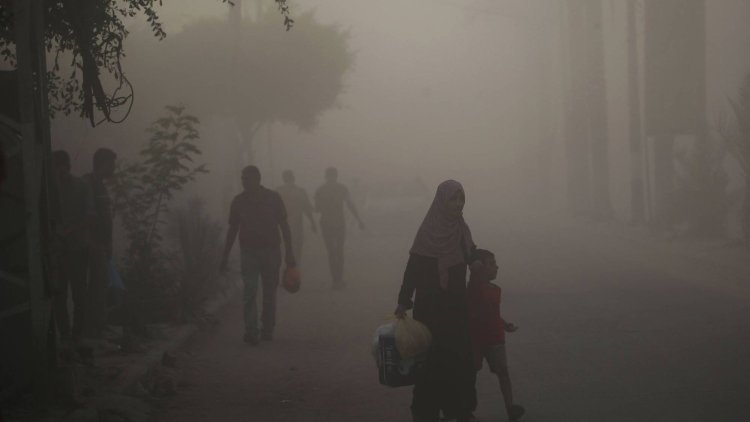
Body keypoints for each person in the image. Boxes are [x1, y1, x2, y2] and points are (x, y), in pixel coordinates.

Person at [394, 180, 479, 422]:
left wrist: (478, 260)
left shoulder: (462, 230)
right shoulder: (427, 232)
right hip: (430, 309)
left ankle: (460, 410)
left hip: (456, 308)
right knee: (429, 363)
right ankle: (426, 413)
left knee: (459, 361)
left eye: (461, 198)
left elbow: (472, 253)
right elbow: (412, 270)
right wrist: (403, 301)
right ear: (442, 201)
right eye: (453, 199)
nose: (458, 203)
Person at [221, 165, 295, 345]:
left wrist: (290, 253)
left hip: (271, 251)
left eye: (247, 178)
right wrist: (224, 256)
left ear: (258, 179)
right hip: (248, 253)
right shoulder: (238, 201)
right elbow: (232, 229)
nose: (244, 182)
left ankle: (267, 328)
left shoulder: (273, 198)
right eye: (243, 178)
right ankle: (251, 330)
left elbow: (284, 226)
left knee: (269, 292)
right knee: (250, 291)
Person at [467, 249, 525, 422]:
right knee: (472, 372)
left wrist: (504, 324)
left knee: (501, 373)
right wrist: (475, 269)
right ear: (479, 268)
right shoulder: (474, 289)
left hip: (494, 337)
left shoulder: (495, 290)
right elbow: (475, 289)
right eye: (491, 264)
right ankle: (466, 409)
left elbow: (493, 313)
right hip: (477, 338)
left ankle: (510, 408)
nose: (496, 267)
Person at [52, 150, 96, 345]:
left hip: (77, 248)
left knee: (79, 295)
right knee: (59, 294)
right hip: (58, 250)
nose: (58, 174)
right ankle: (65, 336)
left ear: (67, 167)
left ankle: (76, 336)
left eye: (60, 169)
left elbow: (90, 216)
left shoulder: (81, 186)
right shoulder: (49, 188)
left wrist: (68, 231)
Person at [82, 148, 117, 339]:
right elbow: (88, 216)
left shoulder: (100, 186)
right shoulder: (88, 184)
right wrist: (95, 243)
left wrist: (109, 243)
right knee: (96, 289)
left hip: (102, 246)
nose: (113, 169)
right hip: (94, 246)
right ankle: (92, 332)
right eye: (111, 165)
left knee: (101, 287)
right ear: (102, 163)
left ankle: (98, 328)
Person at [314, 167, 364, 289]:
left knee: (331, 252)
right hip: (339, 224)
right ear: (336, 176)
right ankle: (339, 280)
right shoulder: (342, 188)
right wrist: (358, 219)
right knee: (339, 251)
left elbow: (317, 209)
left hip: (326, 224)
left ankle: (335, 280)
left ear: (326, 176)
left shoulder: (320, 190)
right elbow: (350, 204)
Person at [276, 170, 317, 265]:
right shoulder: (300, 191)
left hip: (282, 225)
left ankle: (287, 267)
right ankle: (295, 267)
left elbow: (271, 209)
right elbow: (307, 208)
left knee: (284, 247)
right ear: (293, 178)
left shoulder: (278, 191)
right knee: (297, 248)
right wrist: (313, 223)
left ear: (283, 179)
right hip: (297, 225)